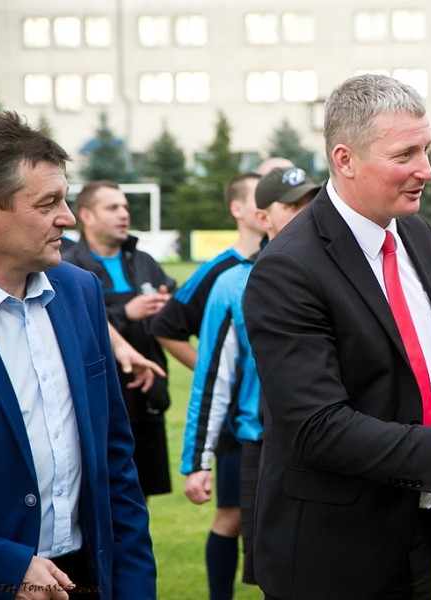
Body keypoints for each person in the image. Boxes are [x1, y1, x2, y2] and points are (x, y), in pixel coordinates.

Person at [242, 73, 431, 599]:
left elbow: (408, 367)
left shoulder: (416, 234)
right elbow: (317, 427)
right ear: (345, 159)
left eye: (426, 150)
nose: (426, 171)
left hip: (418, 529)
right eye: (405, 154)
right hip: (332, 552)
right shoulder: (288, 268)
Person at [0, 110, 156, 598]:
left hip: (87, 577)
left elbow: (114, 459)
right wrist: (5, 563)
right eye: (48, 204)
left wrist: (133, 587)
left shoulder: (79, 290)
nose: (66, 218)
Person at [181, 166, 320, 592]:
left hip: (332, 445)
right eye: (291, 205)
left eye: (309, 202)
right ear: (264, 218)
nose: (303, 212)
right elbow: (212, 380)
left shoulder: (339, 273)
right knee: (272, 571)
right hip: (263, 447)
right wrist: (197, 462)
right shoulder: (231, 284)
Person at [153, 172, 264, 600]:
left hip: (265, 418)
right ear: (238, 209)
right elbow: (168, 327)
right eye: (258, 196)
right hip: (236, 419)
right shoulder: (221, 271)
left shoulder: (287, 260)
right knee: (232, 514)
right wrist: (217, 372)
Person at [62, 181, 177, 499]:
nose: (123, 214)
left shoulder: (143, 261)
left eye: (125, 207)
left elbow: (174, 309)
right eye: (112, 208)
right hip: (100, 398)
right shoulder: (68, 265)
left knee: (141, 494)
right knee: (101, 494)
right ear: (87, 215)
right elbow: (73, 322)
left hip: (147, 395)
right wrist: (126, 312)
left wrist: (165, 305)